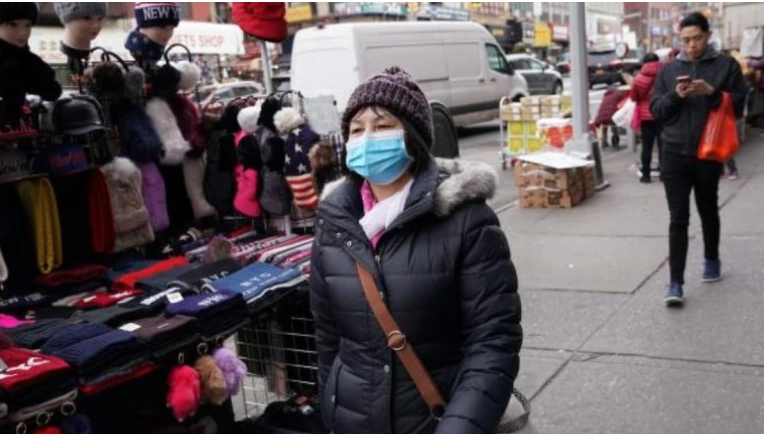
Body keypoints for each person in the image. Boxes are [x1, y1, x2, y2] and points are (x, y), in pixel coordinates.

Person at [310, 67, 522, 434]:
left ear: (413, 137)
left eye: (383, 126)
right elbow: (329, 338)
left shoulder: (468, 220)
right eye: (356, 130)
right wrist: (331, 414)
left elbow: (493, 343)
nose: (367, 138)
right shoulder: (334, 222)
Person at [650, 12, 747, 307]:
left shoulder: (726, 65)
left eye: (697, 39)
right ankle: (675, 282)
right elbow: (656, 109)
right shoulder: (668, 70)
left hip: (708, 152)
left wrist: (712, 94)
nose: (691, 45)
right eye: (686, 40)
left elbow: (740, 106)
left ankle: (711, 258)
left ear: (708, 36)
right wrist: (676, 96)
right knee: (678, 217)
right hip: (673, 153)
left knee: (708, 209)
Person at [630, 52, 662, 183]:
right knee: (663, 145)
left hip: (646, 116)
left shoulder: (638, 79)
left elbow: (633, 97)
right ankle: (664, 173)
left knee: (647, 147)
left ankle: (646, 175)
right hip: (662, 113)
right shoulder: (664, 75)